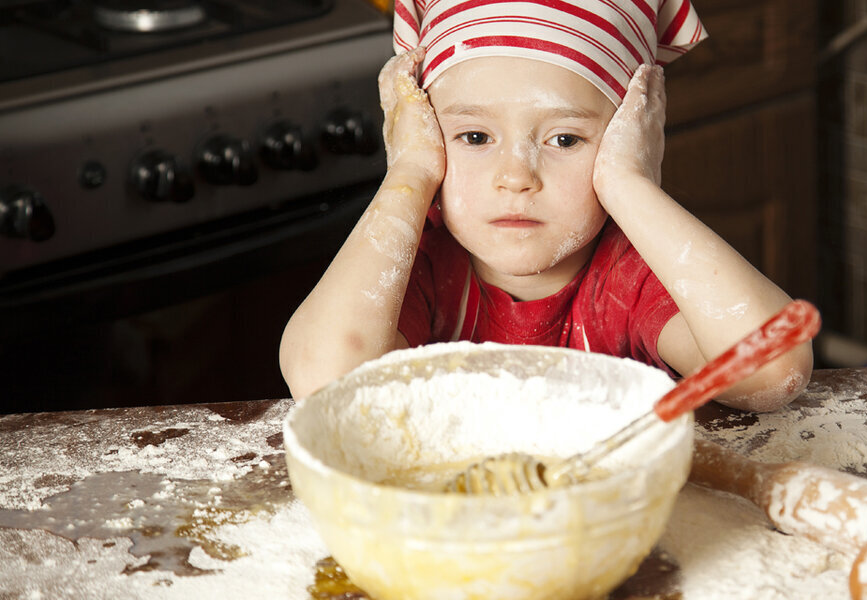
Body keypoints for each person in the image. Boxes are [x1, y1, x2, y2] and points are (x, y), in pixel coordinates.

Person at [279, 0, 813, 411]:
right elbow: (324, 380)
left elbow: (773, 372)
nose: (516, 177)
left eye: (564, 140)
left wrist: (631, 184)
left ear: (629, 139)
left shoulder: (628, 277)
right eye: (473, 136)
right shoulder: (416, 270)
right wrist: (409, 172)